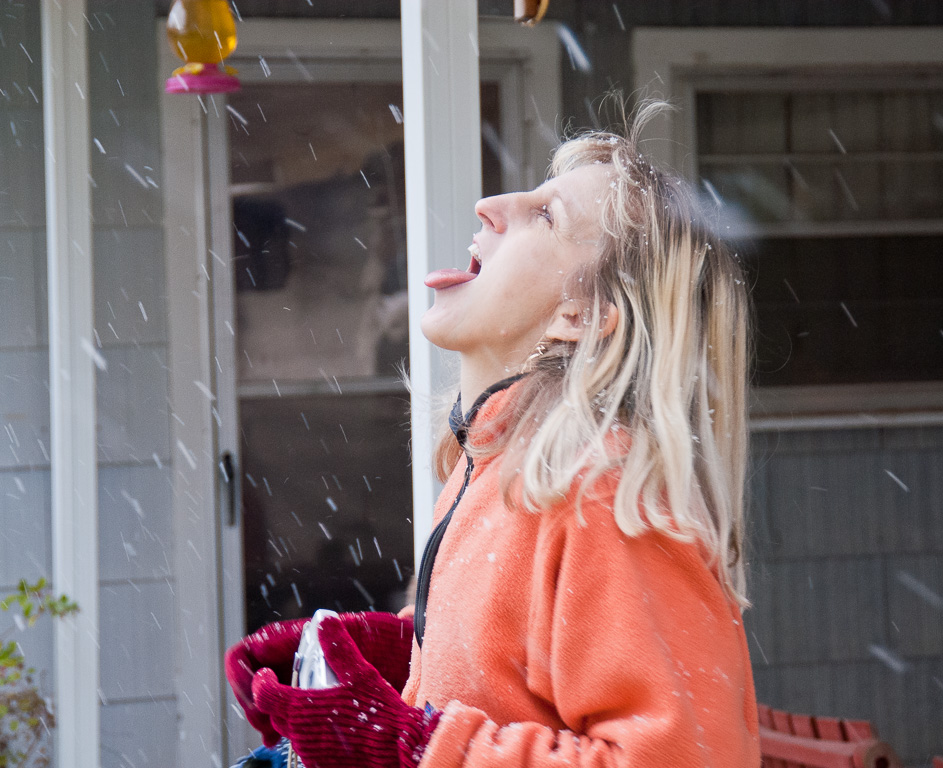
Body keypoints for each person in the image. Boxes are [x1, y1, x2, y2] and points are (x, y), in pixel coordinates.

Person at [225, 100, 760, 768]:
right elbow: (515, 687)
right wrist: (384, 662)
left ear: (585, 315)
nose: (489, 205)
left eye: (544, 215)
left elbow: (678, 758)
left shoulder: (605, 498)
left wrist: (406, 741)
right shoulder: (498, 468)